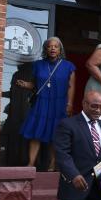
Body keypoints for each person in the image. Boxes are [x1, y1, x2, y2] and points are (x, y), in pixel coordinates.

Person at [16, 37, 76, 169]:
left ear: (60, 50)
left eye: (56, 46)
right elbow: (35, 85)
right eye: (50, 46)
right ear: (46, 49)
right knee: (35, 133)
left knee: (55, 134)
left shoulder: (68, 66)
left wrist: (70, 104)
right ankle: (31, 163)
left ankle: (52, 163)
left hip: (59, 104)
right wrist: (26, 84)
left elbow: (71, 86)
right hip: (42, 103)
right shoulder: (38, 65)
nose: (53, 48)